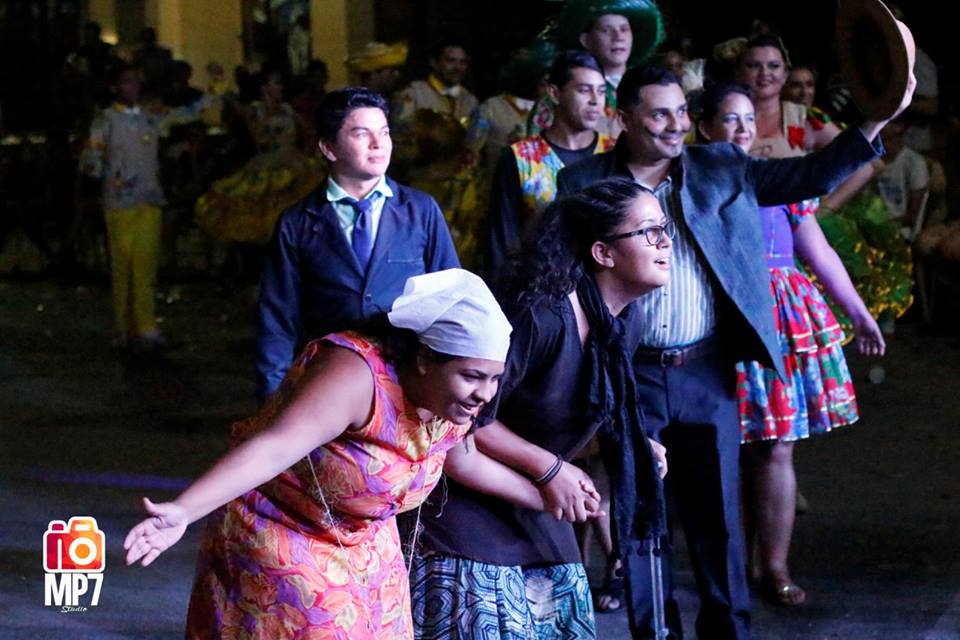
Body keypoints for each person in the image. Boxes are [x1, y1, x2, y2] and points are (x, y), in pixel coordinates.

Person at [556, 64, 911, 639]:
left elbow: (809, 175)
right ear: (623, 118)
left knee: (717, 519)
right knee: (641, 519)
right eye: (659, 114)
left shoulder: (720, 166)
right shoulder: (584, 183)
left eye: (681, 111)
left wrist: (873, 122)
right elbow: (563, 279)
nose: (676, 125)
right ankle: (656, 632)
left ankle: (730, 632)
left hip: (706, 370)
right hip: (630, 375)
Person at [124, 269, 566, 638]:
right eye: (471, 376)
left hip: (366, 543)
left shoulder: (452, 402)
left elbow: (460, 456)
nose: (485, 394)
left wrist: (540, 496)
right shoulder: (357, 376)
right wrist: (184, 510)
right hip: (284, 529)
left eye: (494, 379)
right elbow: (273, 448)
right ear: (425, 359)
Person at [411, 178, 670, 639]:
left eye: (664, 228)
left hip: (536, 506)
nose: (665, 241)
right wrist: (549, 470)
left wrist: (633, 444)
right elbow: (461, 424)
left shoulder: (623, 323)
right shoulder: (542, 315)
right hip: (466, 510)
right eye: (649, 231)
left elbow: (564, 414)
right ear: (603, 253)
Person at [697, 82, 885, 607]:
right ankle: (732, 565)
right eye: (729, 120)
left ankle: (774, 566)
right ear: (705, 128)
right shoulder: (692, 184)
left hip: (780, 319)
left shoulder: (778, 178)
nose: (741, 129)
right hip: (724, 318)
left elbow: (818, 252)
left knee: (777, 445)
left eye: (747, 120)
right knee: (730, 448)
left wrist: (859, 313)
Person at [256, 87, 459, 402]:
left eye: (384, 132)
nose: (378, 143)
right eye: (362, 134)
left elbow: (451, 298)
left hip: (407, 384)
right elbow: (278, 320)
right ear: (328, 148)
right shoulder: (297, 223)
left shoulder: (420, 211)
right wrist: (273, 400)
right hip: (326, 384)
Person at [79, 64, 212, 354]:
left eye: (137, 81)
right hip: (118, 202)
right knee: (122, 267)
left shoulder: (151, 116)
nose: (134, 87)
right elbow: (91, 159)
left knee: (145, 267)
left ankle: (146, 328)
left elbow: (188, 113)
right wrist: (92, 192)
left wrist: (214, 86)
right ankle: (125, 329)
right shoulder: (106, 120)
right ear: (115, 87)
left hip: (149, 199)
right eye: (127, 81)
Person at [486, 50, 617, 284]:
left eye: (600, 91)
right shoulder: (520, 157)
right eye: (584, 90)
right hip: (537, 286)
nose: (595, 101)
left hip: (604, 287)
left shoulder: (613, 153)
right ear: (555, 93)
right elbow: (502, 241)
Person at [195, 68, 320, 246]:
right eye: (276, 83)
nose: (281, 88)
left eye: (281, 84)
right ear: (264, 87)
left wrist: (308, 150)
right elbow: (237, 106)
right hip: (267, 164)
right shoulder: (256, 110)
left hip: (293, 164)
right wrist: (222, 84)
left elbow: (311, 132)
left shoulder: (287, 109)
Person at [527, 0, 663, 139]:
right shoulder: (563, 93)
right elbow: (537, 146)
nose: (618, 37)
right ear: (586, 40)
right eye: (606, 30)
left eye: (624, 29)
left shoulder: (649, 89)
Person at [394, 40, 478, 128]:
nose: (457, 67)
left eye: (463, 62)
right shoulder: (413, 93)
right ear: (434, 62)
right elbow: (400, 130)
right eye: (450, 61)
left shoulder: (470, 100)